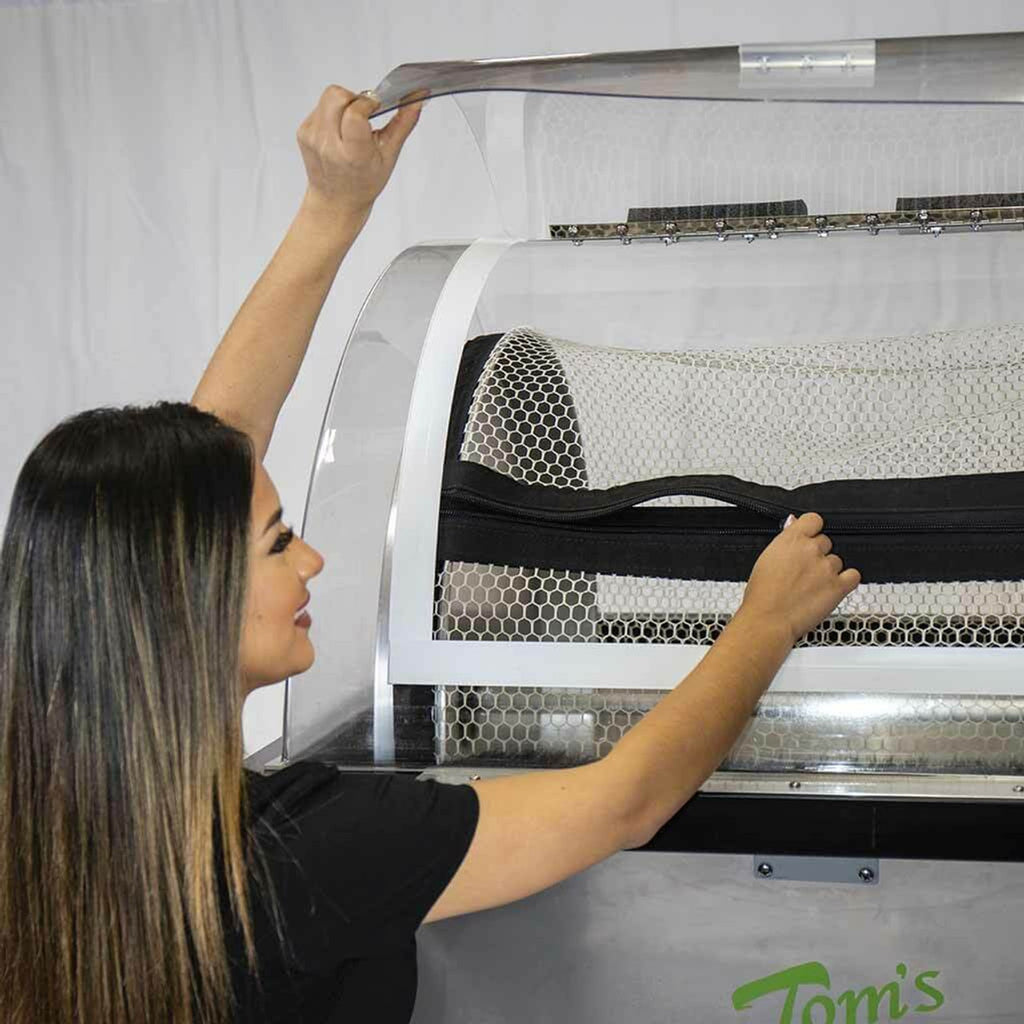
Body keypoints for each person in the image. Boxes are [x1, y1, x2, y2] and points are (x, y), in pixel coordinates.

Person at [0, 86, 860, 1024]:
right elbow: (627, 800)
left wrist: (333, 208)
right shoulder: (308, 851)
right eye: (279, 542)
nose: (313, 561)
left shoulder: (48, 822)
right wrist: (767, 622)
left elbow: (210, 453)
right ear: (185, 591)